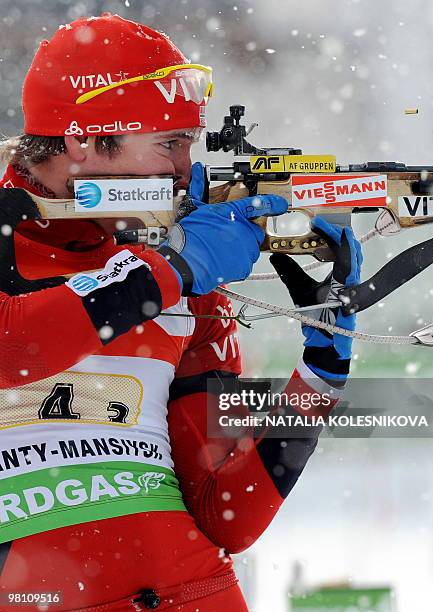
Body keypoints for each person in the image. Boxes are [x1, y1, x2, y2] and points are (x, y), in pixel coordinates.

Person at [0, 13, 361, 611]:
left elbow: (228, 515)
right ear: (82, 139)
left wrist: (319, 374)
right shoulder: (169, 270)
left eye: (190, 143)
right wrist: (172, 270)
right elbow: (14, 348)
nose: (182, 169)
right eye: (169, 143)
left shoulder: (175, 272)